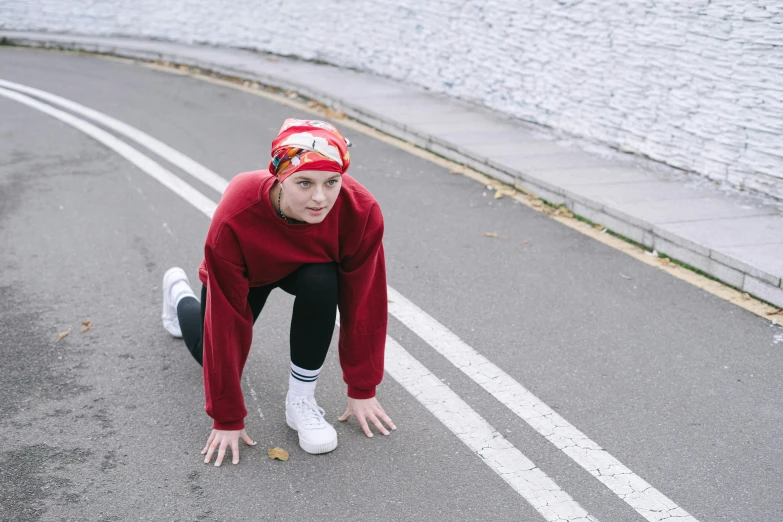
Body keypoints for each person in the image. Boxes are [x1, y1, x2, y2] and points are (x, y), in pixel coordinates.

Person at [160, 118, 395, 467]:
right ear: (280, 178)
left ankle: (300, 402)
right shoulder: (236, 215)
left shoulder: (361, 211)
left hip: (309, 268)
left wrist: (362, 387)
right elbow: (225, 321)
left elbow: (364, 303)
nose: (320, 198)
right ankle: (178, 293)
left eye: (332, 182)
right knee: (207, 351)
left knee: (322, 280)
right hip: (249, 273)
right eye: (305, 183)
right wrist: (227, 417)